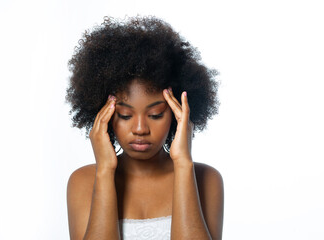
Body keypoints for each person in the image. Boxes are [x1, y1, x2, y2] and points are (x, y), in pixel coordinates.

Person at [66, 16, 224, 240]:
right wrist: (104, 171)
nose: (140, 128)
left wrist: (182, 164)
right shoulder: (83, 182)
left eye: (155, 114)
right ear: (106, 116)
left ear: (177, 113)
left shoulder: (206, 179)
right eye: (125, 115)